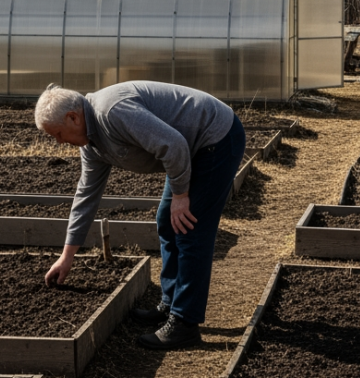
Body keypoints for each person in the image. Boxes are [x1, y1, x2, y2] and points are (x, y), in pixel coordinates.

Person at [36, 80, 246, 350]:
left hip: (215, 137)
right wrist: (67, 258)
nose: (59, 142)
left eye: (58, 134)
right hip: (187, 149)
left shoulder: (112, 112)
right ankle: (171, 304)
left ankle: (184, 324)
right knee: (166, 222)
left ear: (73, 117)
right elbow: (86, 196)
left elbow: (173, 145)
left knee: (189, 228)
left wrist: (181, 197)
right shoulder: (91, 145)